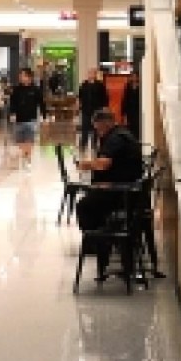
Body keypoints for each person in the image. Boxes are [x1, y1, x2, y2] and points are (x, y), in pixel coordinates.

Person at [74, 109, 146, 282]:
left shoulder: (115, 138)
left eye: (97, 128)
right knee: (92, 200)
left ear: (104, 124)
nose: (97, 132)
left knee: (84, 205)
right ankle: (102, 241)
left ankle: (98, 242)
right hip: (129, 191)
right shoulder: (123, 134)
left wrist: (85, 165)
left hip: (122, 194)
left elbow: (104, 164)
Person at [9, 68, 43, 168]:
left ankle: (28, 159)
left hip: (31, 120)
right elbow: (12, 103)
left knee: (29, 140)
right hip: (19, 119)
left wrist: (44, 116)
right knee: (20, 142)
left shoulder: (35, 89)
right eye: (20, 75)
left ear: (29, 77)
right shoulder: (16, 89)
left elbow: (41, 103)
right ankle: (25, 155)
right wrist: (12, 113)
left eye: (23, 75)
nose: (20, 77)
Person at [76, 69, 110, 153]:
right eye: (89, 73)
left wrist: (105, 107)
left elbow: (105, 97)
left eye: (92, 73)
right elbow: (79, 96)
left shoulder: (100, 85)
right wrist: (78, 104)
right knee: (85, 127)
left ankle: (94, 145)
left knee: (96, 128)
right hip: (85, 110)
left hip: (96, 110)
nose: (91, 75)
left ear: (95, 75)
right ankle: (83, 144)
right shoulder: (84, 85)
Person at [121, 67, 143, 140]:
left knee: (138, 129)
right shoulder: (128, 86)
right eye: (132, 76)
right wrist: (124, 114)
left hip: (138, 111)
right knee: (130, 129)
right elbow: (125, 100)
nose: (134, 78)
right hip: (130, 112)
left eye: (136, 76)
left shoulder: (142, 86)